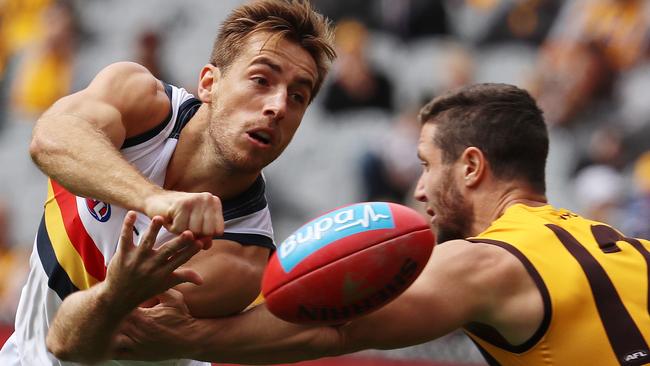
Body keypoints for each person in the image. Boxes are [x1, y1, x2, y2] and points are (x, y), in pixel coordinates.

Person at [54, 83, 650, 365]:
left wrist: (191, 337)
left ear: (471, 167)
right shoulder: (634, 249)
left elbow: (337, 331)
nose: (418, 189)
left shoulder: (486, 263)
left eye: (426, 166)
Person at [0, 0, 335, 365]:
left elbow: (71, 345)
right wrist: (152, 199)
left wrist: (116, 294)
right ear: (209, 83)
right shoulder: (137, 99)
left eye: (298, 96)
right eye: (261, 80)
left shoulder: (240, 258)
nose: (278, 106)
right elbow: (49, 140)